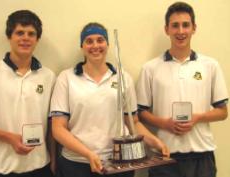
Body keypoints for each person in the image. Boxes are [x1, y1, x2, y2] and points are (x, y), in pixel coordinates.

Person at [50, 22, 169, 177]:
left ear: (107, 44)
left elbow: (133, 123)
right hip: (77, 164)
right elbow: (58, 129)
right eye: (89, 41)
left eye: (100, 40)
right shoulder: (66, 78)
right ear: (82, 46)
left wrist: (155, 142)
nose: (95, 45)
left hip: (118, 163)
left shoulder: (123, 78)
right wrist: (88, 154)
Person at [136, 2, 228, 177]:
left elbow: (223, 112)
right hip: (164, 157)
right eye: (175, 25)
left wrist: (198, 117)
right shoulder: (150, 68)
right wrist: (165, 123)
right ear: (166, 29)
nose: (180, 31)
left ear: (194, 28)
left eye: (186, 25)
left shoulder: (210, 65)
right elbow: (140, 113)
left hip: (202, 157)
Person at [0, 10, 56, 177]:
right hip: (2, 169)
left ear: (37, 39)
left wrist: (54, 162)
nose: (25, 38)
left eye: (31, 33)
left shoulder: (48, 76)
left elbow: (52, 125)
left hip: (41, 167)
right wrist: (9, 138)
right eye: (19, 32)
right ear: (9, 36)